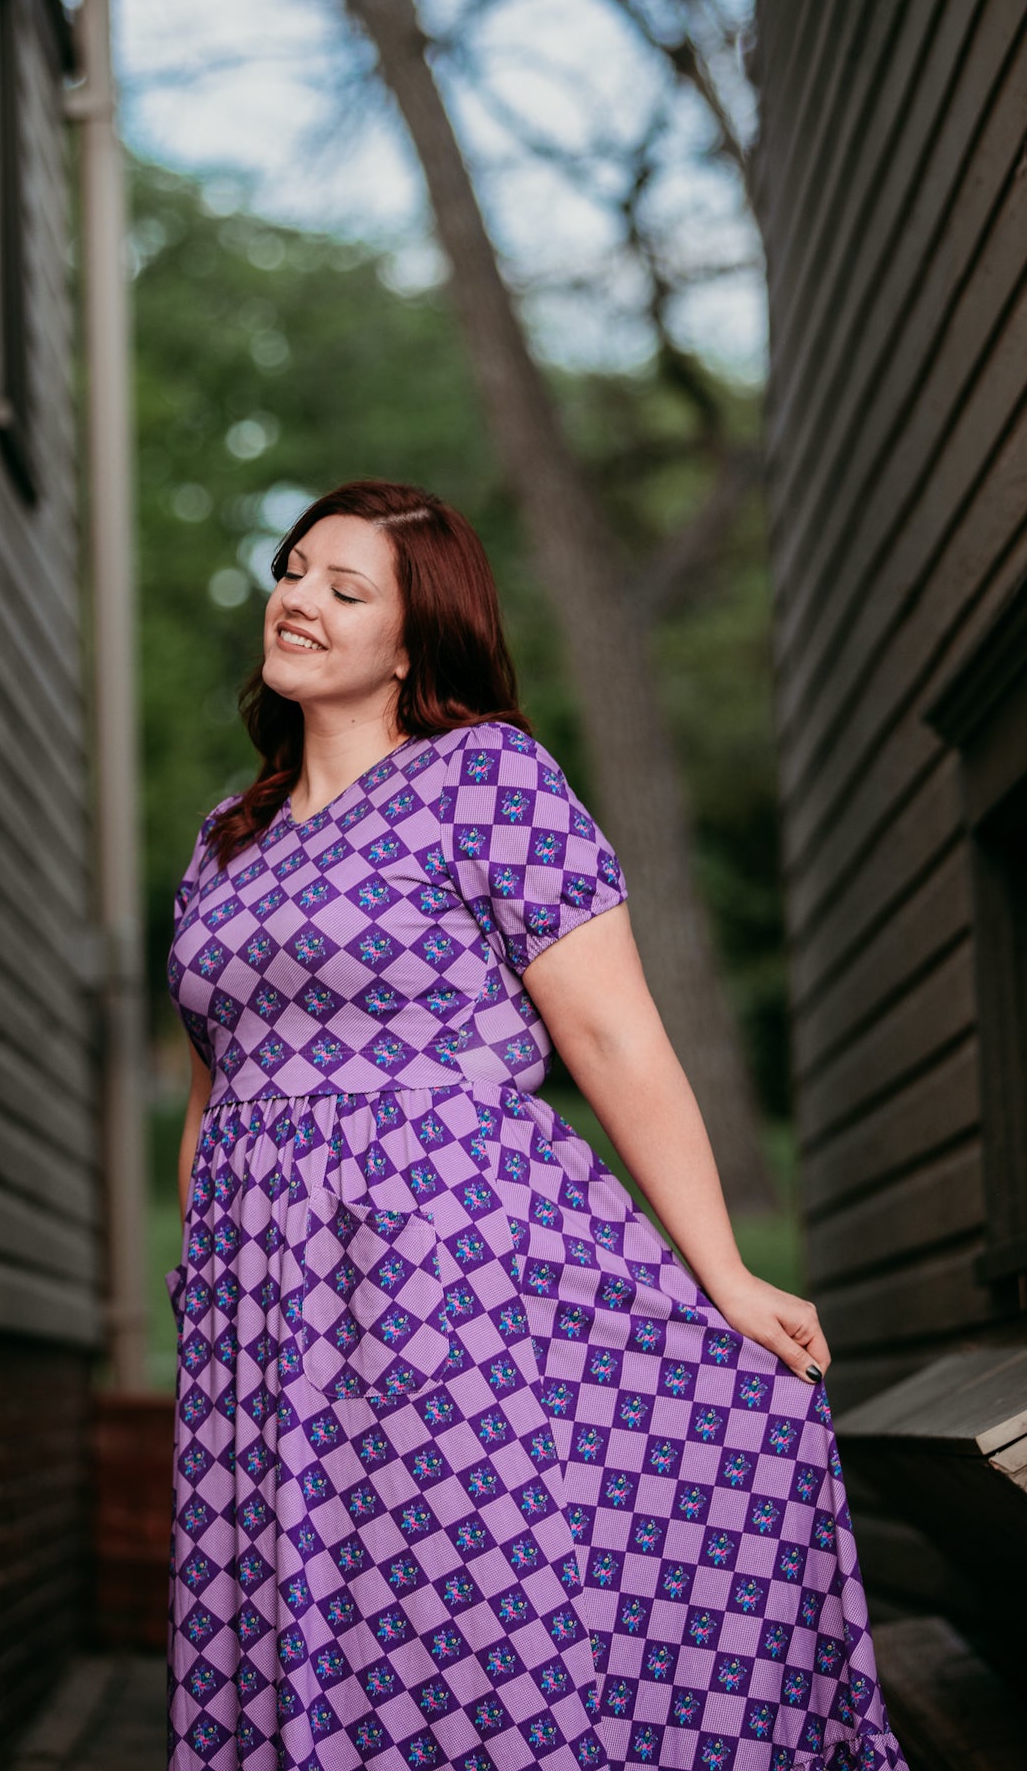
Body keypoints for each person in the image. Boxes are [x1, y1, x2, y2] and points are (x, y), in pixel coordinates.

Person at [164, 479, 908, 1771]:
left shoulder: (486, 779)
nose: (297, 600)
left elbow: (611, 1035)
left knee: (448, 1592)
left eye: (345, 589)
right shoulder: (223, 839)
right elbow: (211, 1088)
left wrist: (719, 1270)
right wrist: (203, 1279)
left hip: (443, 1256)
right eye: (292, 571)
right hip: (262, 1302)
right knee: (301, 1598)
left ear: (412, 641)